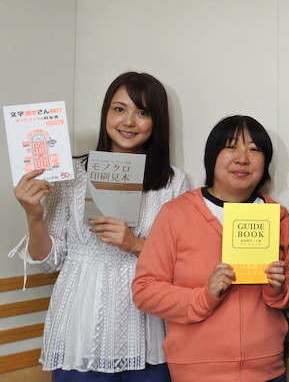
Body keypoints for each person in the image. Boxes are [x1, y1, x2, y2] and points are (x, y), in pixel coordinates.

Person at [9, 72, 188, 381]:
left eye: (142, 112)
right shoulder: (71, 174)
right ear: (106, 113)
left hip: (144, 328)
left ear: (156, 121)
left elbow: (185, 260)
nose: (128, 121)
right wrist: (33, 215)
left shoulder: (172, 182)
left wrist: (136, 244)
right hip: (80, 328)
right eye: (119, 109)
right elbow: (47, 262)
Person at [132, 116, 289, 382]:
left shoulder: (276, 216)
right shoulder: (176, 213)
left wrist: (279, 288)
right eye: (231, 147)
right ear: (212, 156)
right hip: (197, 372)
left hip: (267, 370)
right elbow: (145, 291)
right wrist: (205, 296)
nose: (242, 158)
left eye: (254, 149)